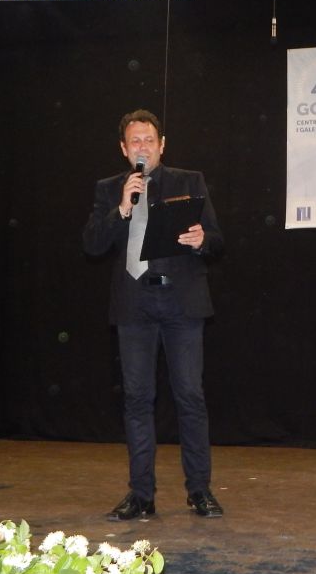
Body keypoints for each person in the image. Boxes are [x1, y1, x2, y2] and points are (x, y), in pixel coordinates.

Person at [82, 109, 225, 519]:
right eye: (135, 141)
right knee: (137, 399)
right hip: (135, 306)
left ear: (162, 145)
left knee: (190, 396)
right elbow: (92, 244)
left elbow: (217, 240)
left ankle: (200, 491)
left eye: (149, 140)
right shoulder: (110, 189)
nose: (142, 147)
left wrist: (202, 240)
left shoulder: (189, 182)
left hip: (182, 303)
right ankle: (141, 494)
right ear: (124, 149)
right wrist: (122, 209)